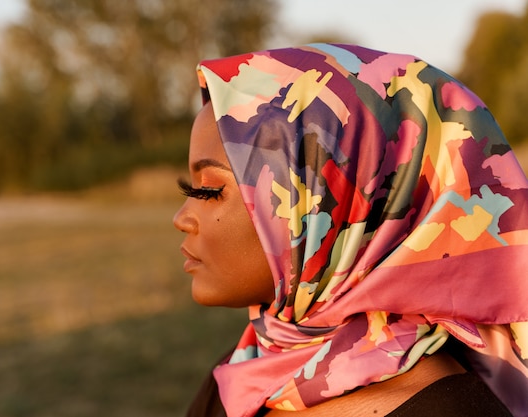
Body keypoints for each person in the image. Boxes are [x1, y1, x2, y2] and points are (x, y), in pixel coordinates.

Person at [173, 44, 528, 417]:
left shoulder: (454, 410)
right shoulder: (242, 371)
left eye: (208, 191)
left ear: (333, 199)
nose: (181, 218)